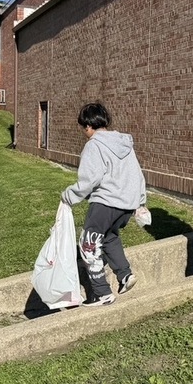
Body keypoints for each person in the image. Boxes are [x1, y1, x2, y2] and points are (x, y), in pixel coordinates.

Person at [61, 102, 147, 306]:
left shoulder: (94, 145)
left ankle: (102, 293)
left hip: (105, 203)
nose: (84, 132)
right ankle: (125, 275)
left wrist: (69, 196)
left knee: (88, 245)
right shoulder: (124, 143)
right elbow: (137, 174)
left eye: (83, 128)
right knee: (109, 237)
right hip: (126, 205)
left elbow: (89, 179)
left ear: (88, 126)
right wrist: (140, 201)